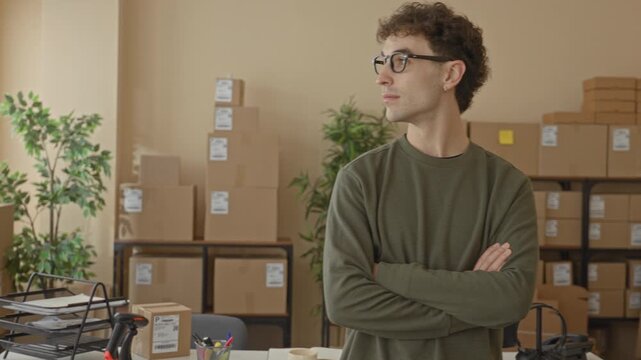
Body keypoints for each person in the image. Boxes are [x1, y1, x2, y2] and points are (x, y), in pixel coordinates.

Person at [322, 2, 539, 359]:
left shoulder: (507, 185)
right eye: (383, 61)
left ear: (450, 75)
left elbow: (510, 301)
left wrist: (389, 276)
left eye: (401, 61)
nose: (382, 77)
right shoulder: (360, 179)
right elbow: (346, 302)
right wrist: (471, 306)